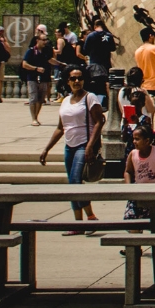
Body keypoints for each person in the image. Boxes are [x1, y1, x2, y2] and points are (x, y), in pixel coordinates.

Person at [38, 65, 105, 232]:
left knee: (75, 180)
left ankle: (90, 217)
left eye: (80, 78)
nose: (77, 81)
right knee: (71, 183)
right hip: (69, 146)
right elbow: (61, 128)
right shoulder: (66, 101)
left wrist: (90, 146)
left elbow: (99, 121)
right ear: (67, 81)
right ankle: (77, 224)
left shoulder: (90, 98)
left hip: (84, 145)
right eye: (73, 78)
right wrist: (47, 149)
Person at [21, 28, 54, 124]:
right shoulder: (31, 51)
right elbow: (24, 64)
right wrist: (35, 68)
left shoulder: (45, 51)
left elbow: (50, 60)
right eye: (43, 40)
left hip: (43, 78)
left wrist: (61, 64)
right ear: (37, 40)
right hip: (32, 77)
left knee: (40, 98)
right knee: (33, 98)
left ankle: (36, 116)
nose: (45, 42)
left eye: (46, 40)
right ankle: (33, 118)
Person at [81, 20, 117, 106]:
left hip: (95, 64)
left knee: (97, 84)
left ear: (94, 26)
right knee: (107, 82)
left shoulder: (91, 35)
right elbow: (113, 48)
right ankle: (108, 101)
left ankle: (98, 102)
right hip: (106, 64)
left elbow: (85, 50)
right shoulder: (108, 35)